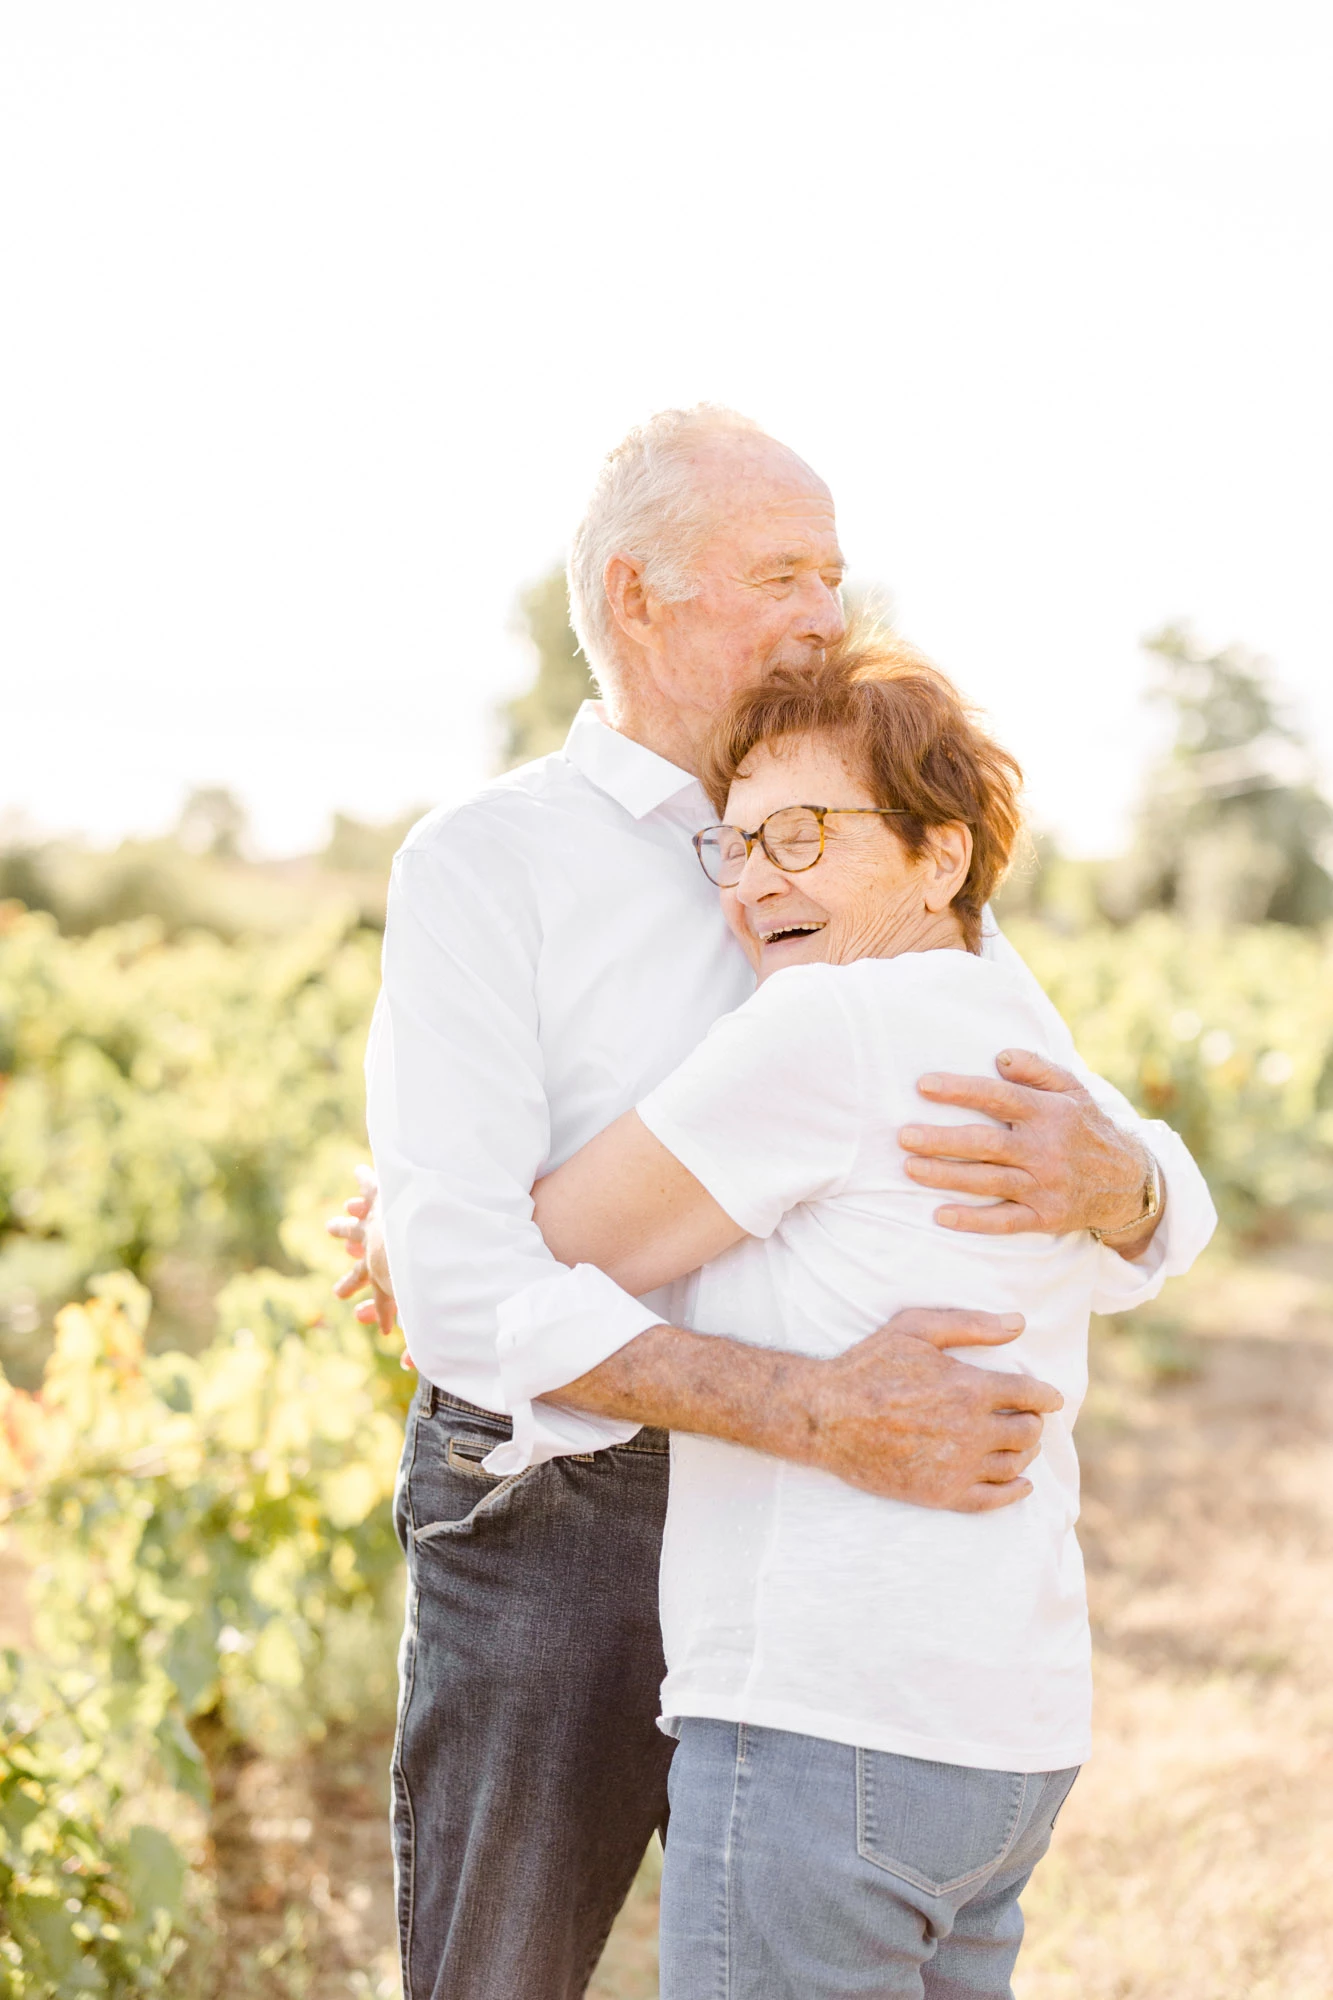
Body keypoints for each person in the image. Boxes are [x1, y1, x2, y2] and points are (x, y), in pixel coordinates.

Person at [334, 406, 1215, 2000]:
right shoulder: (485, 860)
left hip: (814, 1548)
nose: (827, 610)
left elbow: (1086, 1146)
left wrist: (1133, 1180)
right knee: (500, 1972)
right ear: (635, 601)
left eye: (834, 573)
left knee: (794, 1933)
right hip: (564, 1508)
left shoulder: (876, 845)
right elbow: (459, 1284)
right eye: (781, 574)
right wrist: (807, 1407)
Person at [527, 633, 1215, 1997]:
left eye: (802, 834)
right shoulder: (1020, 1028)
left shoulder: (828, 1028)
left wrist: (417, 1204)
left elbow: (545, 1245)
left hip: (825, 1726)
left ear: (939, 858)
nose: (754, 881)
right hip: (1004, 1739)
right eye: (733, 847)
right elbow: (1157, 1203)